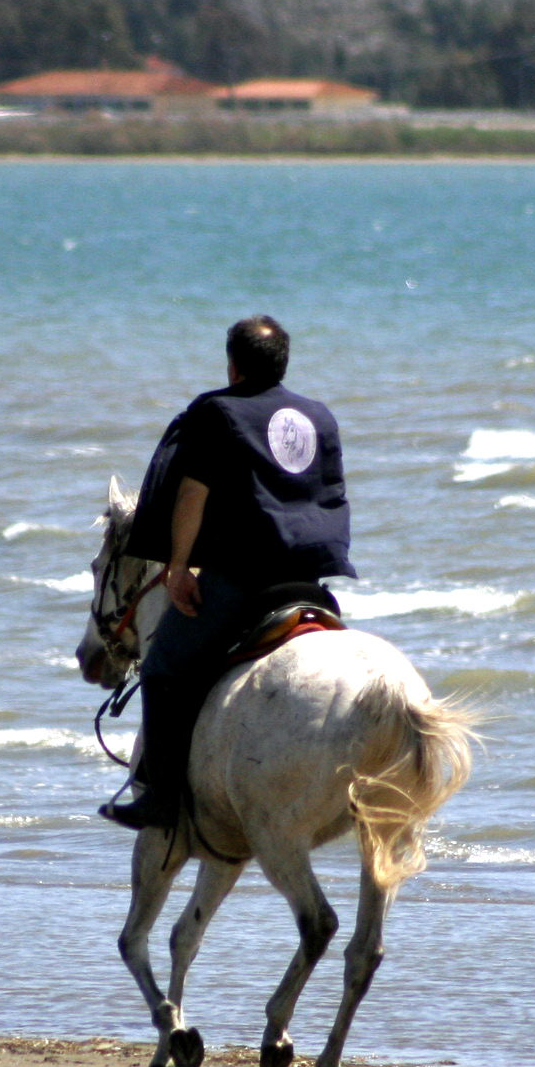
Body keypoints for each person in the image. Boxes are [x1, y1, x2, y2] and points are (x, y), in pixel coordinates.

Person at [101, 314, 356, 830]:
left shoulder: (219, 411)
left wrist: (176, 568)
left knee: (162, 668)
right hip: (311, 580)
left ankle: (163, 798)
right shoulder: (319, 416)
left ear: (232, 365)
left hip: (244, 577)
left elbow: (193, 495)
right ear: (284, 361)